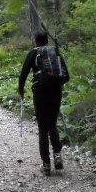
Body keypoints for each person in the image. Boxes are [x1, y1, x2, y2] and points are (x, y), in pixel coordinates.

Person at [17, 31, 69, 176]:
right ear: (47, 40)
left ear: (35, 41)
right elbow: (67, 76)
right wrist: (56, 84)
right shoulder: (55, 52)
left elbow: (23, 73)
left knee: (42, 127)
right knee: (52, 124)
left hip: (40, 93)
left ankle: (46, 165)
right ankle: (57, 155)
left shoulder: (33, 53)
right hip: (56, 92)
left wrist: (21, 89)